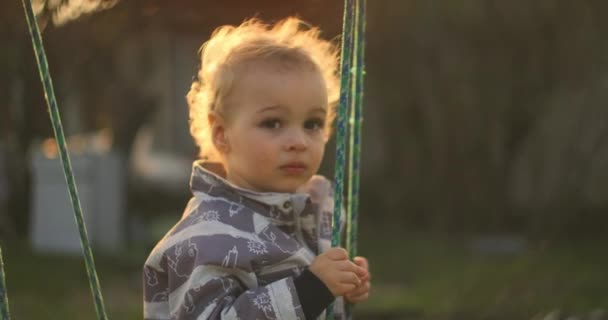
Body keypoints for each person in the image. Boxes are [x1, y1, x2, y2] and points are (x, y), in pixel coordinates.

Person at [143, 17, 370, 320]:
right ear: (222, 133)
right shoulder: (203, 239)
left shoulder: (316, 208)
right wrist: (311, 289)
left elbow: (321, 297)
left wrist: (342, 286)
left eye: (312, 123)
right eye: (273, 123)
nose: (299, 141)